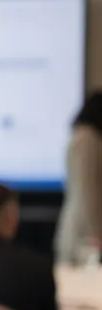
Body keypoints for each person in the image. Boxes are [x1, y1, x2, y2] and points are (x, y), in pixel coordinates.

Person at [56, 90, 102, 265]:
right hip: (85, 233)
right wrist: (96, 232)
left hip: (81, 226)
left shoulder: (82, 137)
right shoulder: (88, 139)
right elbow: (88, 190)